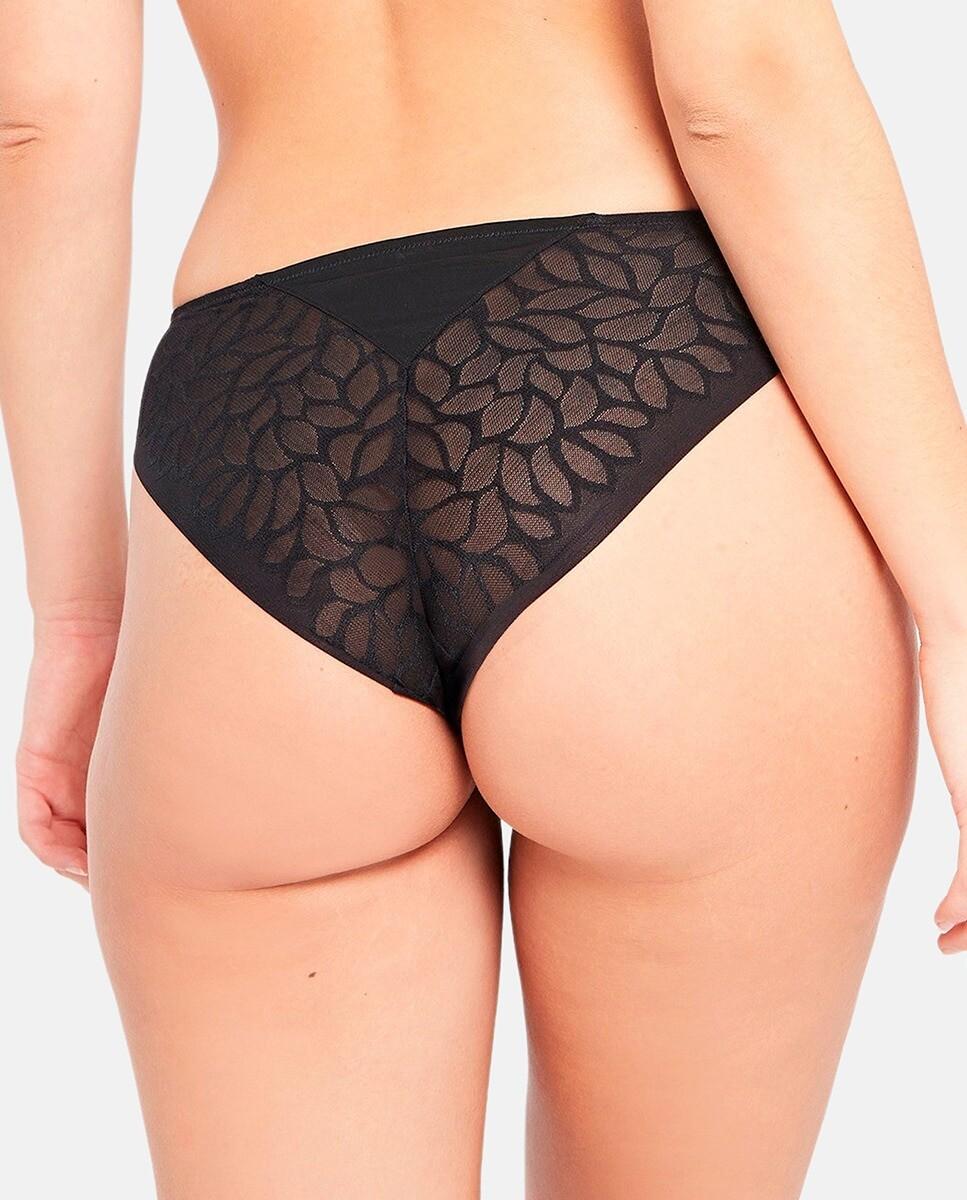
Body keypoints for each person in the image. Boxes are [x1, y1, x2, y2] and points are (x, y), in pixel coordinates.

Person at [2, 2, 964, 1196]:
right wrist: (956, 608)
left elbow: (40, 124)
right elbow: (743, 85)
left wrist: (77, 619)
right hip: (637, 364)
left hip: (261, 418)